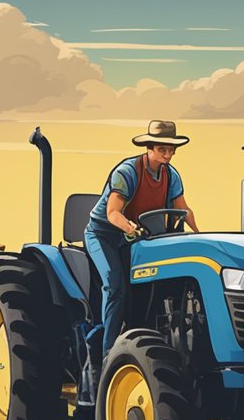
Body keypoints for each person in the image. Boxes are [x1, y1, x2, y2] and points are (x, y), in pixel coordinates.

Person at [85, 119, 201, 352]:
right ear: (148, 148)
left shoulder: (171, 176)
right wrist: (131, 229)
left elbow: (183, 209)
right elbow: (113, 213)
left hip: (137, 236)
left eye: (171, 150)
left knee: (150, 282)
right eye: (162, 149)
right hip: (105, 235)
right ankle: (108, 350)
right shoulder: (127, 172)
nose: (168, 155)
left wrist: (199, 235)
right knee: (115, 284)